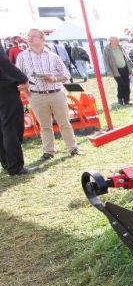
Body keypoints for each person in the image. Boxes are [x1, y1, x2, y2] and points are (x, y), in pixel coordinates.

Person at [15, 28, 80, 161]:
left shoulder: (52, 56)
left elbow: (66, 75)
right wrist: (26, 90)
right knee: (44, 126)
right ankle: (48, 152)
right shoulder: (22, 56)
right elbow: (19, 76)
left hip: (56, 93)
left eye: (33, 36)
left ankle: (73, 149)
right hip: (36, 95)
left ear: (42, 38)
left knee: (64, 123)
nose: (30, 38)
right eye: (28, 36)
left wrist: (54, 79)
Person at [0, 46, 38, 175]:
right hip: (4, 89)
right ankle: (15, 167)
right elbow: (3, 62)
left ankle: (7, 163)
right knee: (11, 127)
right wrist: (23, 79)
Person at [103, 36, 133, 106]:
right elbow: (105, 61)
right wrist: (109, 71)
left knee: (127, 84)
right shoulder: (107, 49)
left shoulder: (120, 47)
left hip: (125, 68)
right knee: (121, 85)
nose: (118, 41)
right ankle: (120, 99)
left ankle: (127, 100)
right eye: (116, 40)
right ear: (111, 41)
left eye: (118, 39)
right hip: (116, 70)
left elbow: (127, 58)